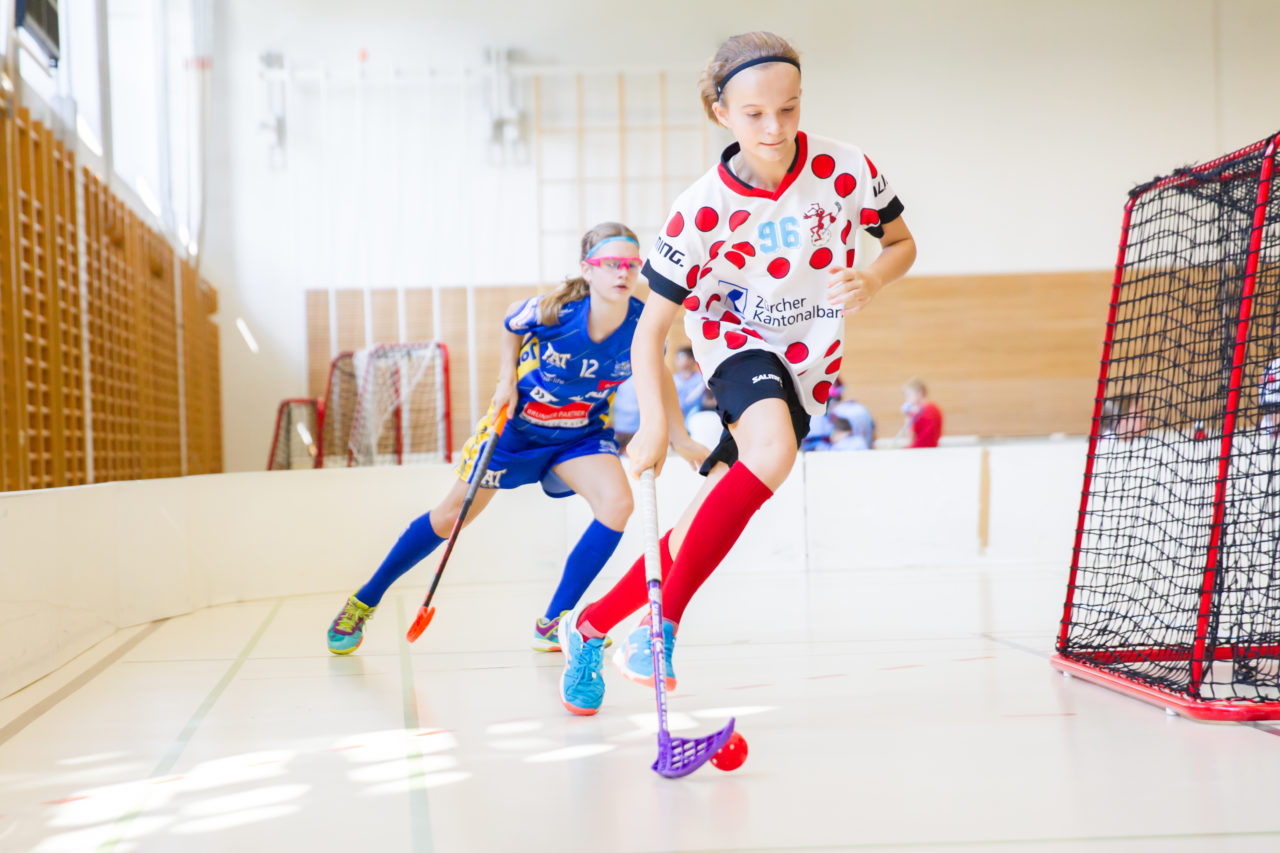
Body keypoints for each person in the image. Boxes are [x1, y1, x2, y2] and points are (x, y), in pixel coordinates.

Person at [556, 32, 917, 715]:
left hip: (809, 361)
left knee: (707, 516)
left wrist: (872, 278)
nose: (775, 127)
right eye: (754, 114)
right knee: (773, 452)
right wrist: (657, 426)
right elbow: (651, 330)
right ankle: (658, 631)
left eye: (789, 108)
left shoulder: (847, 169)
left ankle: (592, 625)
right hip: (735, 342)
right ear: (721, 113)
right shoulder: (699, 211)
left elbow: (900, 243)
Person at [326, 222, 707, 655]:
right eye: (611, 264)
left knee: (617, 504)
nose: (623, 272)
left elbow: (659, 374)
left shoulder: (641, 324)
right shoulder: (556, 312)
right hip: (516, 430)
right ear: (587, 269)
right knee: (451, 516)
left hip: (579, 434)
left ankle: (554, 621)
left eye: (632, 265)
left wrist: (680, 437)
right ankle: (365, 598)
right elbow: (512, 319)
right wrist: (506, 377)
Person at [901, 377, 942, 448]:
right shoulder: (935, 408)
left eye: (909, 395)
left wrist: (906, 416)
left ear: (920, 393)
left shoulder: (919, 412)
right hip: (932, 449)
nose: (907, 399)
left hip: (919, 450)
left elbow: (910, 437)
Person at [672, 346, 707, 424]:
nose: (678, 361)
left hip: (698, 416)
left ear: (692, 360)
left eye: (681, 357)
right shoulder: (673, 379)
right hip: (677, 416)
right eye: (677, 358)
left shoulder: (701, 379)